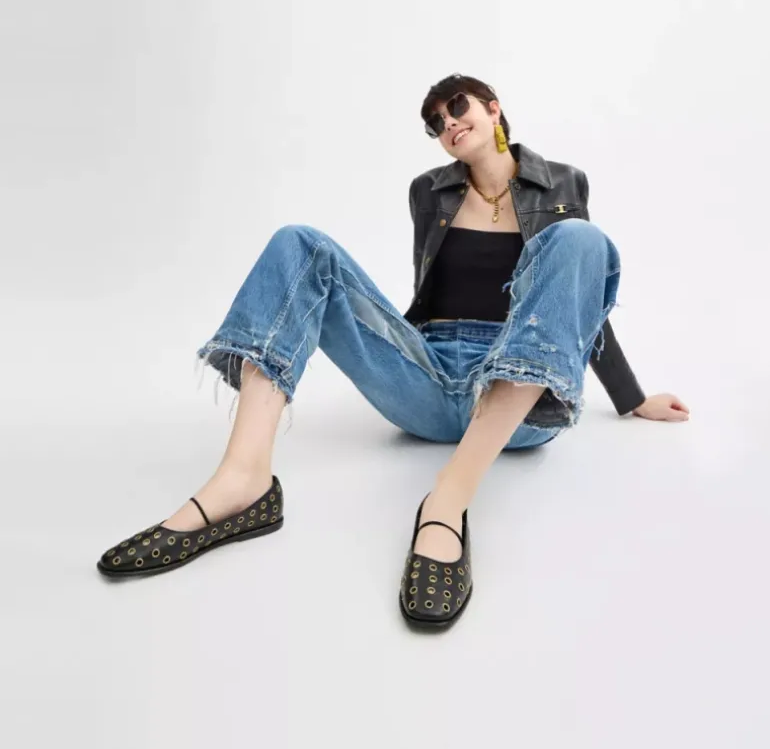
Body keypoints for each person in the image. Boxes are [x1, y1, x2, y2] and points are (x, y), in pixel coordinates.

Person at [97, 73, 689, 631]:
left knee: (582, 241)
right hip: (426, 377)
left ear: (493, 108)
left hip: (517, 397)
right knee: (299, 244)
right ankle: (242, 479)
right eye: (435, 122)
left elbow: (574, 302)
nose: (448, 123)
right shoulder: (429, 191)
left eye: (457, 106)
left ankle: (447, 501)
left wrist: (631, 398)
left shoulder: (564, 183)